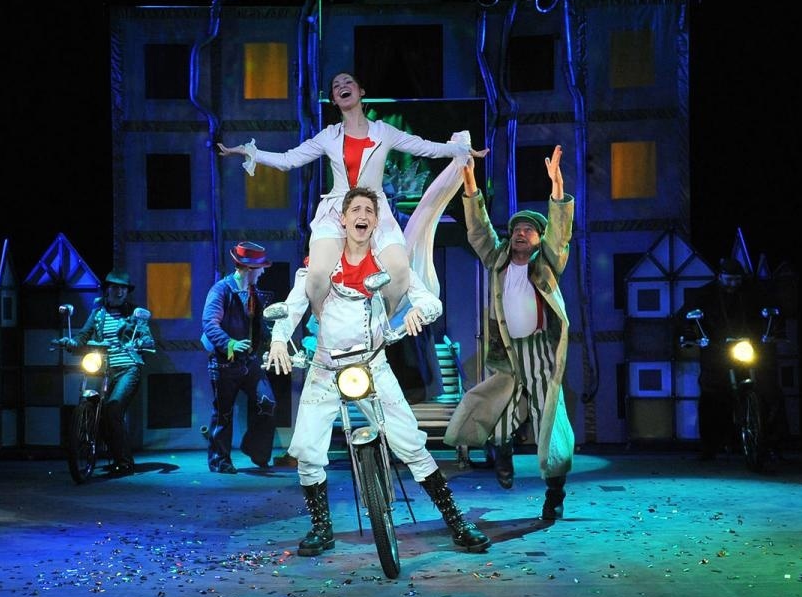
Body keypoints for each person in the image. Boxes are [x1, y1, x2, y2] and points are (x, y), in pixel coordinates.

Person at [266, 186, 490, 556]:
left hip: (372, 365)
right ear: (343, 219)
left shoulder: (387, 266)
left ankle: (456, 522)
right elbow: (293, 304)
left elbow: (429, 301)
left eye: (369, 211)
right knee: (307, 449)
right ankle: (321, 527)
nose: (363, 215)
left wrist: (420, 312)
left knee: (411, 444)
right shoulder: (321, 265)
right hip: (325, 368)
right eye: (355, 209)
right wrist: (278, 340)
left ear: (375, 221)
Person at [217, 71, 487, 320]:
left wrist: (461, 150)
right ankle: (326, 322)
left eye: (348, 83)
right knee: (318, 274)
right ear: (334, 99)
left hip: (374, 211)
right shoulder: (328, 136)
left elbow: (423, 147)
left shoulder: (384, 132)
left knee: (399, 270)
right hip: (338, 210)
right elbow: (289, 159)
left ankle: (381, 324)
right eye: (336, 86)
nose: (342, 87)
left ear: (361, 92)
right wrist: (249, 152)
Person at [443, 145, 576, 521]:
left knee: (548, 418)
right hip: (508, 353)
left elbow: (560, 234)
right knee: (499, 412)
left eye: (529, 230)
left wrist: (556, 188)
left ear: (539, 238)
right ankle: (501, 454)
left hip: (540, 352)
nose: (520, 233)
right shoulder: (498, 259)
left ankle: (554, 493)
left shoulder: (547, 261)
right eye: (516, 229)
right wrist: (470, 184)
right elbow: (478, 231)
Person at [677, 257, 784, 461]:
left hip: (751, 347)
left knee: (769, 389)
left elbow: (773, 309)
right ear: (720, 276)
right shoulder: (706, 293)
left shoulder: (754, 291)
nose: (733, 284)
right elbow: (684, 315)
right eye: (729, 279)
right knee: (711, 393)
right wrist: (689, 334)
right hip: (718, 349)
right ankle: (709, 447)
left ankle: (772, 443)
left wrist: (775, 329)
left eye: (737, 279)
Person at [57, 269, 154, 477]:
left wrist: (142, 342)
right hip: (103, 369)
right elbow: (83, 336)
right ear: (107, 289)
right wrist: (70, 342)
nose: (119, 291)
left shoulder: (135, 313)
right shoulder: (98, 313)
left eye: (123, 288)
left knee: (113, 409)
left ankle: (125, 462)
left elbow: (147, 337)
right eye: (115, 287)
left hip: (128, 368)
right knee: (97, 409)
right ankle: (102, 449)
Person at [199, 241, 279, 473]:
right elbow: (209, 323)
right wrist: (230, 343)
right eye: (260, 268)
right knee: (223, 413)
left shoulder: (254, 293)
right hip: (225, 363)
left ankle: (255, 449)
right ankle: (219, 460)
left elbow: (259, 325)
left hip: (249, 361)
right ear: (248, 268)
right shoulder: (221, 290)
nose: (263, 272)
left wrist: (271, 343)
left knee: (267, 403)